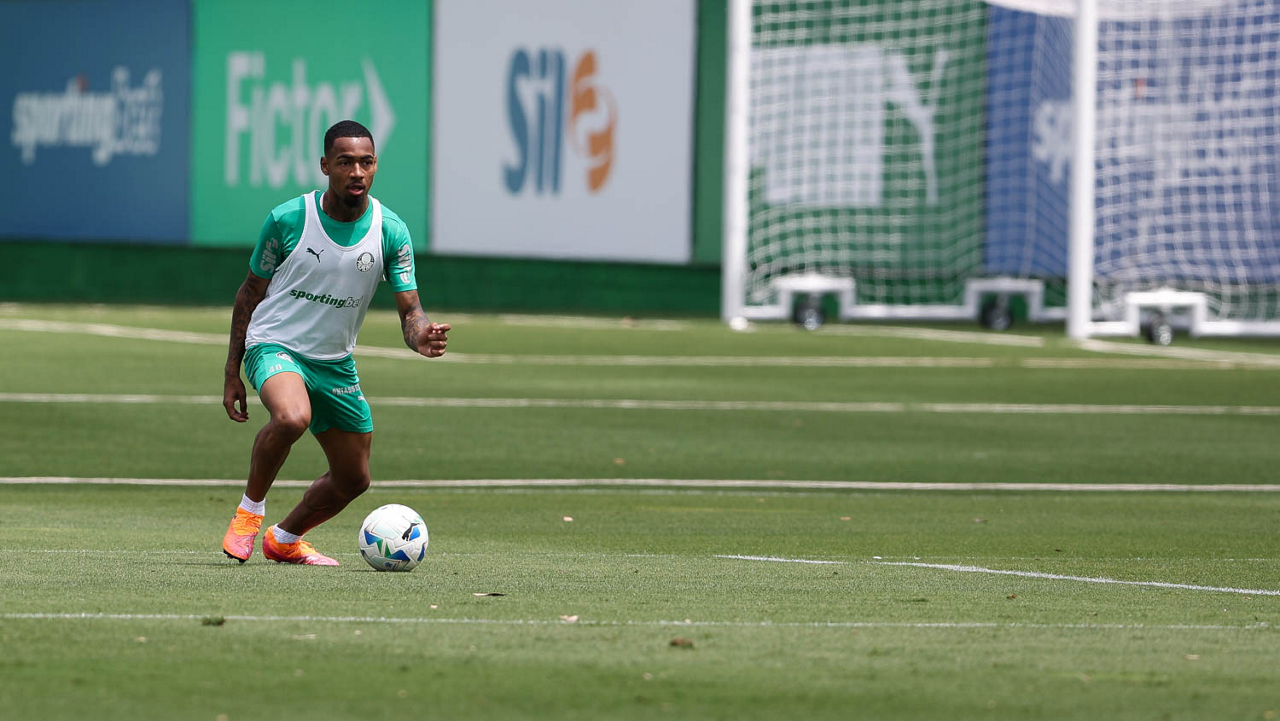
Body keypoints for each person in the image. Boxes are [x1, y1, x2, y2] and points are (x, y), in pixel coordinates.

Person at [220, 119, 449, 565]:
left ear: (376, 165)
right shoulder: (288, 219)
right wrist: (233, 369)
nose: (357, 172)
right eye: (345, 162)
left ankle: (284, 539)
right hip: (274, 345)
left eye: (366, 162)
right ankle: (249, 513)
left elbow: (411, 310)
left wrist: (421, 335)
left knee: (353, 479)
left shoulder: (390, 230)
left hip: (334, 362)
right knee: (292, 417)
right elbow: (249, 293)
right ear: (325, 165)